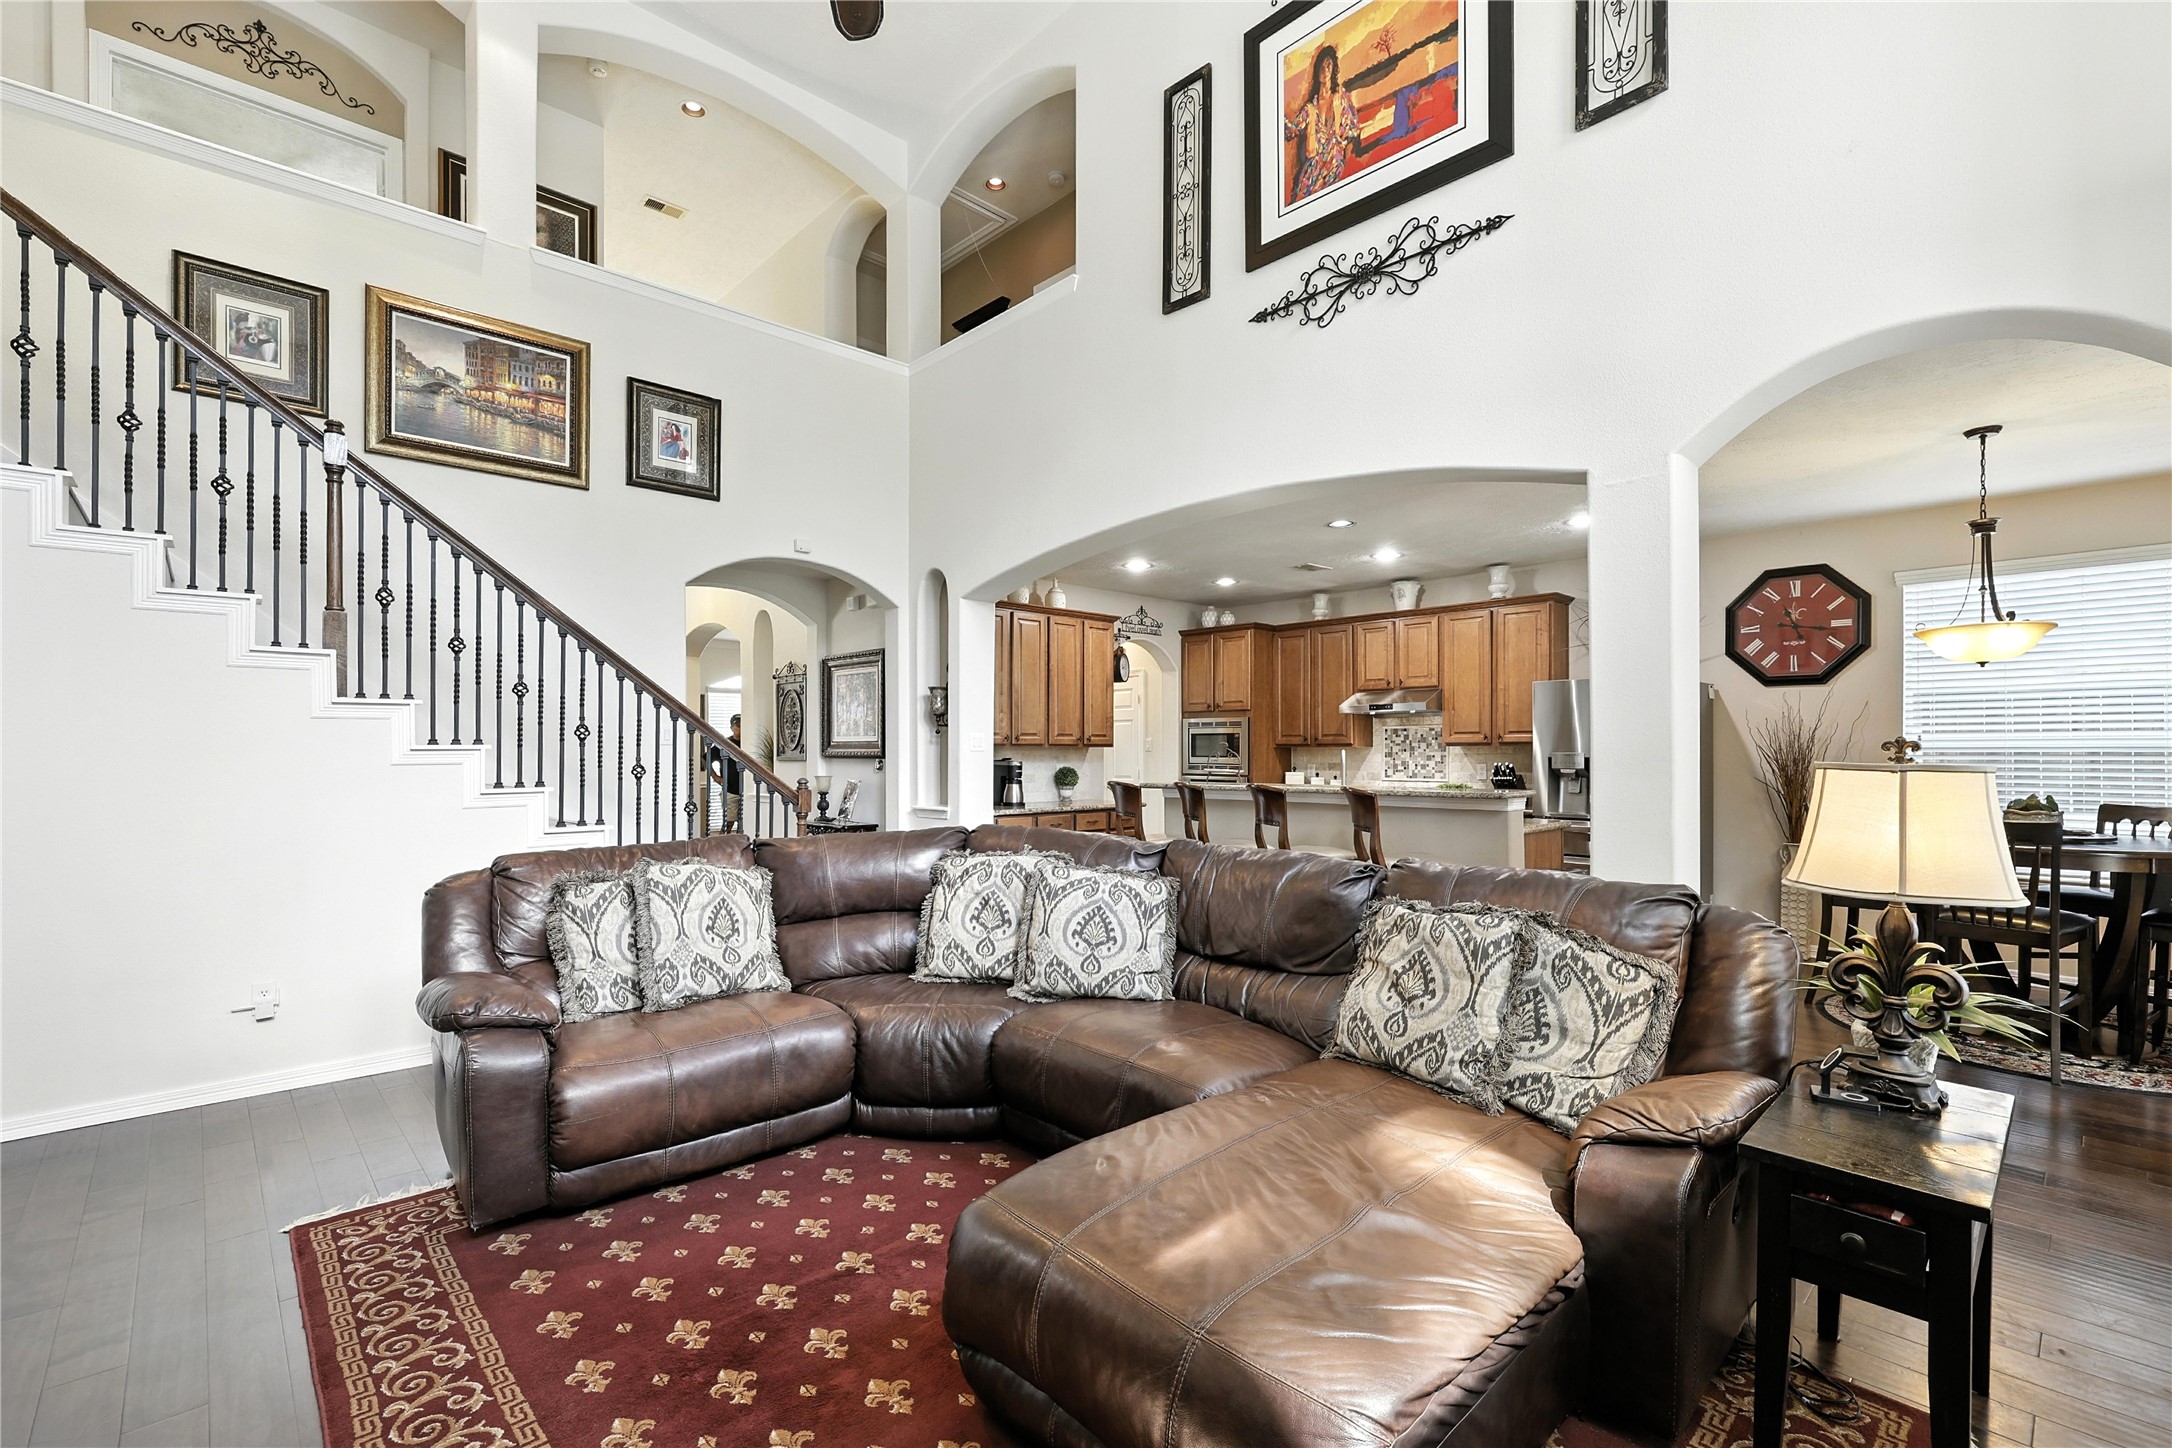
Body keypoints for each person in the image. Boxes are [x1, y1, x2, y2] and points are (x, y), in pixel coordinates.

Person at [1286, 44, 1362, 205]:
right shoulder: (1310, 108)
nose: (1324, 69)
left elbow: (1354, 129)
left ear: (1333, 69)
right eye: (1321, 65)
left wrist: (1343, 148)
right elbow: (1292, 131)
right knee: (1298, 202)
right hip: (1313, 167)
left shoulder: (1341, 98)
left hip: (1334, 163)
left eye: (1328, 65)